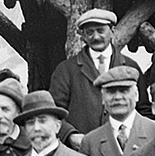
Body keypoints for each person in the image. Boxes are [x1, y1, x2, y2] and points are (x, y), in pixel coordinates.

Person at [50, 9, 142, 139]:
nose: (96, 37)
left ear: (112, 31)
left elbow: (144, 109)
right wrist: (70, 135)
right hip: (82, 150)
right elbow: (54, 112)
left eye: (100, 30)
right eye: (90, 32)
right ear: (83, 36)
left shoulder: (130, 66)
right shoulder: (66, 70)